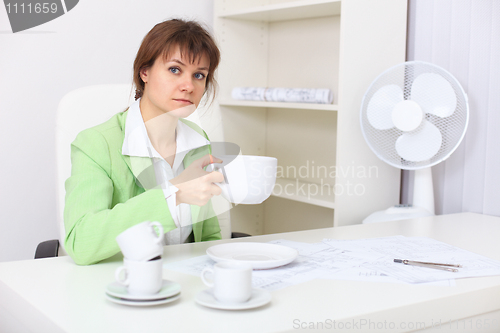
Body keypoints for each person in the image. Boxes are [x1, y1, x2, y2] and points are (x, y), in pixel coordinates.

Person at [64, 19, 225, 265]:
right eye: (174, 69)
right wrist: (172, 195)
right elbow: (81, 242)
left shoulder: (198, 140)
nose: (188, 86)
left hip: (188, 285)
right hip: (124, 285)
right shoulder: (96, 144)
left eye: (199, 75)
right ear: (145, 72)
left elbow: (208, 234)